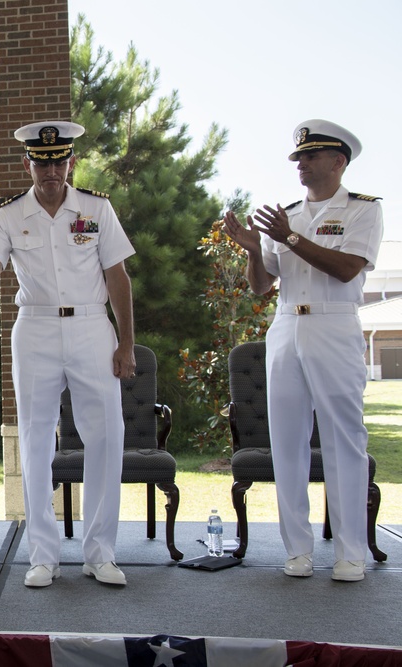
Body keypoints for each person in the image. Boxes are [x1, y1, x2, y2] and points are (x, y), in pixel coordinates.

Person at [0, 121, 136, 588]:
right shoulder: (8, 215)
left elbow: (118, 276)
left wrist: (126, 342)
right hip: (35, 327)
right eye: (42, 162)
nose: (51, 170)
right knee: (36, 438)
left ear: (71, 163)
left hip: (91, 326)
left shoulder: (97, 209)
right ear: (28, 165)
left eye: (59, 161)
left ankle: (100, 553)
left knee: (105, 436)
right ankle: (43, 554)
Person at [223, 120, 383, 582]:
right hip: (287, 323)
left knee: (343, 439)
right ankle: (297, 549)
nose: (302, 164)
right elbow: (260, 286)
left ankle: (351, 551)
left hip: (334, 322)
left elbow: (348, 269)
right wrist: (254, 249)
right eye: (298, 158)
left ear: (338, 161)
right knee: (287, 442)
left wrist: (290, 237)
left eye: (311, 157)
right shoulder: (286, 213)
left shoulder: (362, 211)